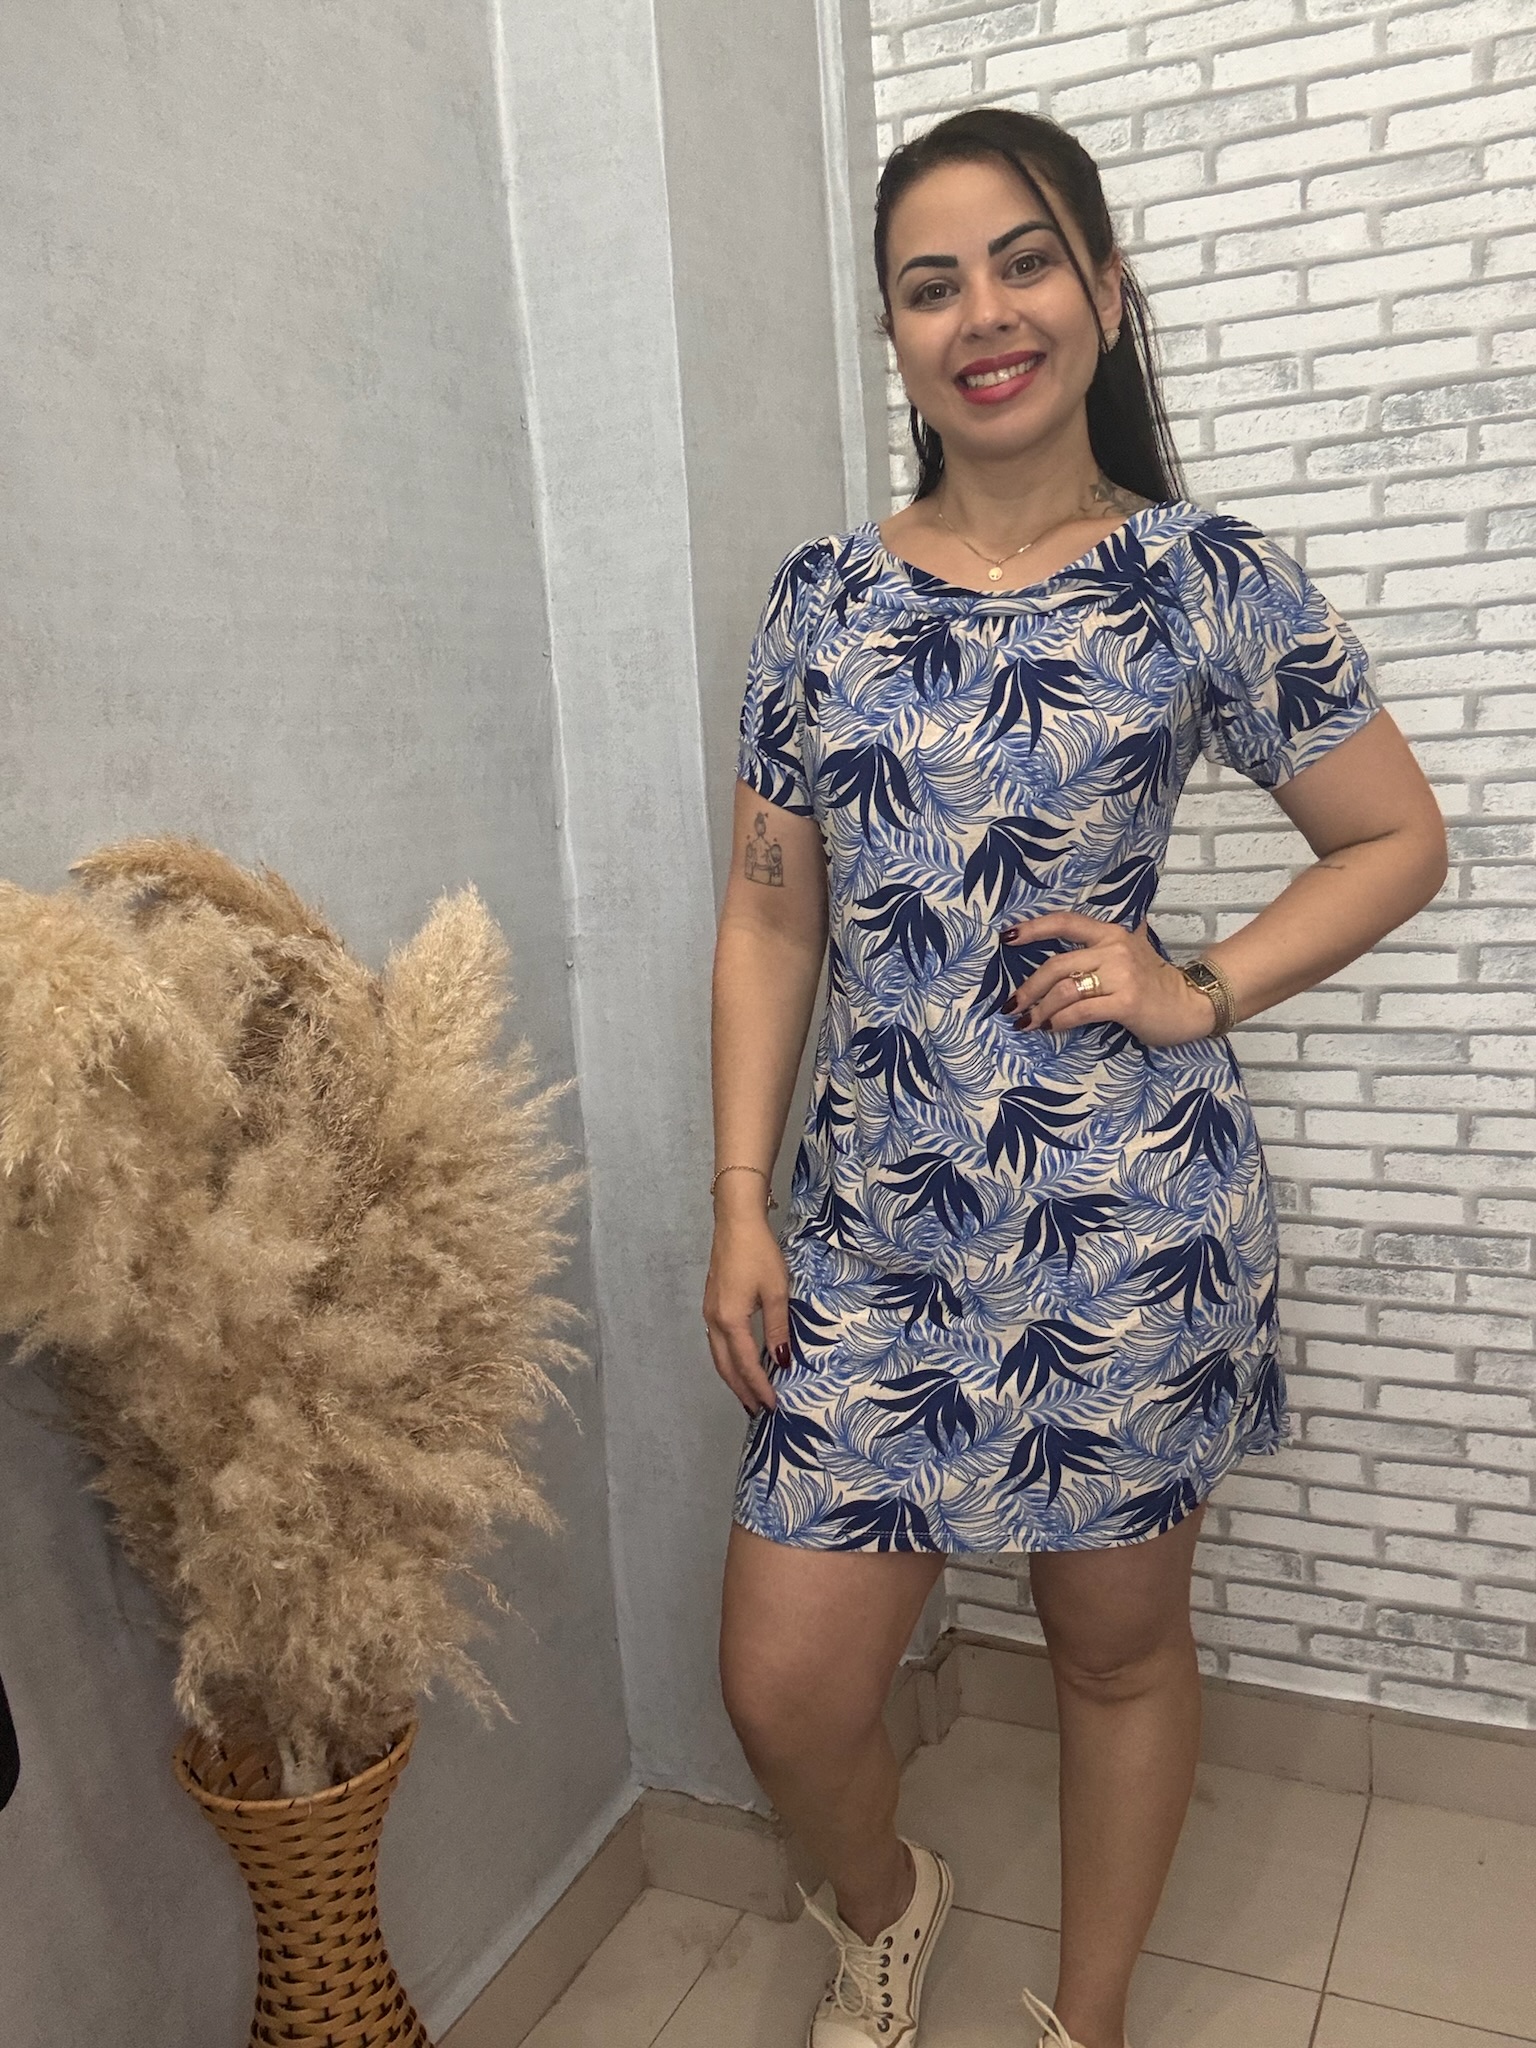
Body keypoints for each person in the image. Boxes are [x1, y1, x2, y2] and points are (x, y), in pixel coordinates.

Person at [704, 106, 1447, 2048]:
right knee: (785, 1686)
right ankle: (890, 1906)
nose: (985, 314)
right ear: (893, 334)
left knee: (1113, 1654)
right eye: (930, 284)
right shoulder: (821, 601)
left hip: (1125, 1225)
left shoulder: (1203, 579)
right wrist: (738, 1202)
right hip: (873, 1232)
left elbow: (1395, 837)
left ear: (1106, 294)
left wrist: (1200, 983)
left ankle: (1087, 2015)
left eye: (1026, 262)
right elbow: (771, 918)